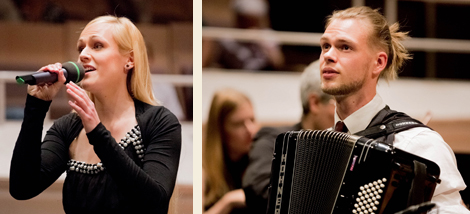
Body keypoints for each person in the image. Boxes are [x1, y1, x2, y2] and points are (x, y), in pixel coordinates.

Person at [9, 15, 181, 214]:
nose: (83, 54)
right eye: (80, 48)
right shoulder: (68, 127)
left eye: (97, 45)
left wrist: (98, 133)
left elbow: (155, 202)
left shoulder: (160, 122)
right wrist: (36, 107)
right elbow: (22, 188)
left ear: (130, 60)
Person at [319, 6, 469, 213]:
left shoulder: (417, 144)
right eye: (325, 46)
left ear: (378, 62)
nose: (328, 55)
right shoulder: (319, 146)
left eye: (345, 47)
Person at [242, 60, 335, 214]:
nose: (346, 112)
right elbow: (257, 188)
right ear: (315, 103)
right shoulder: (273, 139)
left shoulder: (352, 144)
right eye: (338, 102)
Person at [203, 88, 259, 214]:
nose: (251, 130)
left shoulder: (261, 158)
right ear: (220, 130)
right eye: (238, 124)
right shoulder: (203, 168)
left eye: (252, 120)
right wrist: (228, 202)